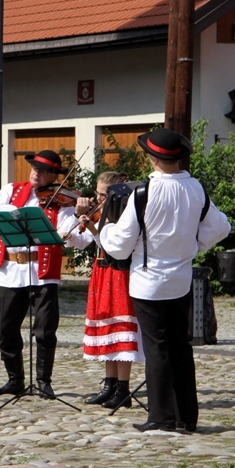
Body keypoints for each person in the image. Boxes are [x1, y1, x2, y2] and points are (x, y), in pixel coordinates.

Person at [100, 128, 230, 432]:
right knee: (181, 347)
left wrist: (105, 230)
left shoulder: (143, 193)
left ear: (153, 159)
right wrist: (195, 244)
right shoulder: (195, 188)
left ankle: (161, 417)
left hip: (148, 282)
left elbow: (119, 245)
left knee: (157, 348)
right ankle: (186, 416)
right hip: (181, 279)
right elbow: (221, 227)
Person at [0, 150, 93, 399]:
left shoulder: (62, 203)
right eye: (35, 168)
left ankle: (44, 381)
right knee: (6, 328)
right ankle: (15, 380)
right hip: (10, 270)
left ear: (54, 176)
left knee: (45, 330)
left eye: (43, 171)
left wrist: (77, 217)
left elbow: (77, 240)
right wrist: (21, 211)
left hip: (43, 272)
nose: (36, 173)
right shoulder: (11, 190)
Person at [80, 171, 145, 409]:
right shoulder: (103, 213)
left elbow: (113, 246)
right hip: (102, 273)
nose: (97, 199)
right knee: (106, 327)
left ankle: (123, 389)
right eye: (97, 194)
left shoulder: (125, 215)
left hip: (119, 274)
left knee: (120, 327)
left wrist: (94, 228)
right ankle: (109, 385)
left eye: (102, 195)